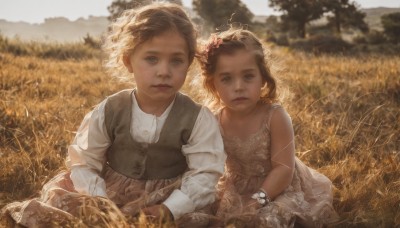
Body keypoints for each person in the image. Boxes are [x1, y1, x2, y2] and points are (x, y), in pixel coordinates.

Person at [1, 3, 226, 227]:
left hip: (167, 198)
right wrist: (99, 200)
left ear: (188, 64)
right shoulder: (110, 109)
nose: (164, 71)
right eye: (152, 59)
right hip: (108, 193)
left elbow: (205, 173)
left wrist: (171, 208)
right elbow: (86, 161)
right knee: (63, 208)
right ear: (129, 61)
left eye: (176, 61)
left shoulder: (197, 118)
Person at [197, 28, 339, 227]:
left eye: (248, 76)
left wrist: (257, 201)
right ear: (213, 84)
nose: (238, 86)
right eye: (226, 78)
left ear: (263, 77)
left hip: (278, 185)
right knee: (203, 216)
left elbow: (283, 168)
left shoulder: (274, 116)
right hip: (235, 185)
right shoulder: (213, 120)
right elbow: (206, 165)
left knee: (266, 221)